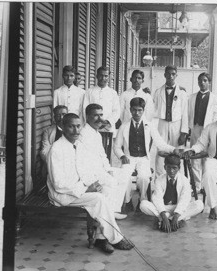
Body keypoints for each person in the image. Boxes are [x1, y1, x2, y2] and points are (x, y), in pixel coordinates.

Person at [47, 113, 134, 254]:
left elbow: (84, 170)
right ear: (62, 127)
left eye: (78, 126)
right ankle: (116, 239)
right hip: (63, 195)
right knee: (98, 199)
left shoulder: (77, 145)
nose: (76, 131)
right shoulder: (56, 149)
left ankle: (101, 237)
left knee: (106, 190)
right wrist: (86, 189)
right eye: (71, 127)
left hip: (78, 190)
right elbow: (59, 184)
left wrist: (93, 183)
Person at [114, 97, 177, 204]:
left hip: (143, 158)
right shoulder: (124, 126)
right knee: (124, 176)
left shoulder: (150, 125)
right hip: (129, 157)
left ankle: (142, 200)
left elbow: (160, 143)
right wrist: (122, 156)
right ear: (130, 110)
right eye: (134, 110)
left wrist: (174, 150)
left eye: (140, 110)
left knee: (144, 178)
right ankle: (127, 201)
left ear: (143, 110)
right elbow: (116, 147)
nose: (137, 113)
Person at [79, 103, 131, 220]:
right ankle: (110, 212)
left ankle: (113, 210)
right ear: (87, 117)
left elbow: (102, 155)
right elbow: (87, 163)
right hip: (91, 174)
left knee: (126, 172)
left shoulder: (96, 133)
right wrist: (105, 174)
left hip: (101, 170)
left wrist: (108, 169)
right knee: (112, 182)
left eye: (101, 115)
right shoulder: (83, 134)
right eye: (95, 116)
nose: (100, 119)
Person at [140, 154, 204, 232]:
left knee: (199, 204)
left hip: (178, 207)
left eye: (174, 168)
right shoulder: (159, 180)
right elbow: (157, 199)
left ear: (179, 168)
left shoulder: (184, 180)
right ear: (165, 167)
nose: (171, 171)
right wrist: (163, 216)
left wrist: (176, 215)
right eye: (169, 167)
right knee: (143, 204)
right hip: (164, 208)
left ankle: (170, 220)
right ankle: (171, 220)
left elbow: (185, 199)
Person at [188, 72, 217, 195]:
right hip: (196, 128)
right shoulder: (191, 97)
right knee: (195, 158)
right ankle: (196, 187)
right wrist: (188, 130)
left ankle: (206, 186)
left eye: (205, 80)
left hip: (209, 130)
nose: (202, 83)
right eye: (200, 80)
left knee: (207, 158)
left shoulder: (215, 99)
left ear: (209, 82)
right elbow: (188, 114)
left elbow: (216, 117)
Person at [152, 65, 189, 176]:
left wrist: (184, 132)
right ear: (164, 75)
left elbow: (185, 113)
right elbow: (153, 109)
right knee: (160, 150)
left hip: (177, 124)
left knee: (177, 151)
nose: (170, 76)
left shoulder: (182, 92)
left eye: (173, 74)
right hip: (162, 123)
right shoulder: (158, 92)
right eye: (168, 74)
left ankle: (178, 179)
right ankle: (159, 177)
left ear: (176, 75)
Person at [82, 67, 120, 132]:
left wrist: (107, 121)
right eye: (101, 75)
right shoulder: (89, 92)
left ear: (109, 77)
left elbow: (116, 111)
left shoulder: (113, 93)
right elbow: (85, 109)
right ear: (97, 76)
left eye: (106, 76)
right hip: (92, 127)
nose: (103, 78)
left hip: (108, 127)